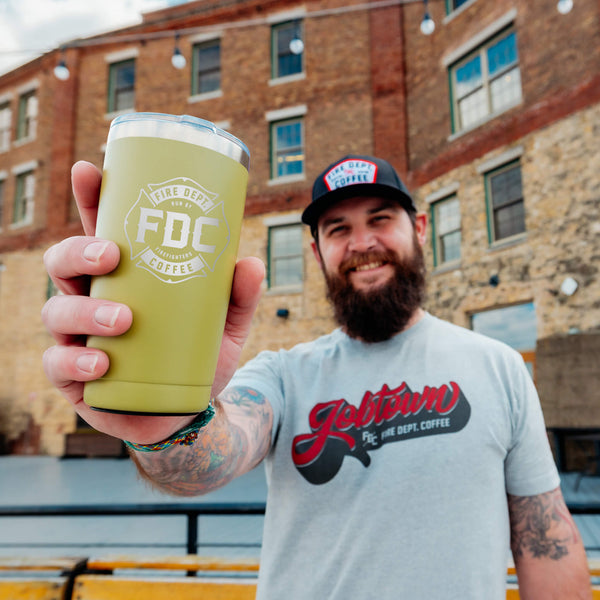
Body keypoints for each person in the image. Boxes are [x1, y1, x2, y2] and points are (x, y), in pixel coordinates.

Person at [42, 155, 592, 599]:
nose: (361, 243)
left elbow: (547, 539)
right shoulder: (283, 375)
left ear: (419, 228)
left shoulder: (498, 367)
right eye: (338, 228)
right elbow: (215, 452)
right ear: (317, 252)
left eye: (380, 218)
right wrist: (162, 419)